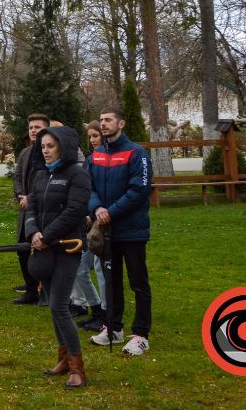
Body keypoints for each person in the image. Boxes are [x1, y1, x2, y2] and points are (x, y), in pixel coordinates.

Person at [25, 125, 92, 389]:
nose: (46, 151)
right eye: (43, 147)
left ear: (63, 147)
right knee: (53, 306)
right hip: (43, 248)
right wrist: (33, 233)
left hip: (67, 248)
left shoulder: (78, 175)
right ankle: (63, 359)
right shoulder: (41, 175)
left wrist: (47, 236)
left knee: (58, 306)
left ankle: (78, 368)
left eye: (50, 146)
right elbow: (32, 207)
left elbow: (75, 211)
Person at [87, 107, 153, 356]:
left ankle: (141, 335)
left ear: (121, 123)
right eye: (101, 120)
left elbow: (139, 190)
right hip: (106, 232)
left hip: (132, 231)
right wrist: (97, 208)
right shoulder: (96, 154)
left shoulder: (137, 154)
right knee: (111, 282)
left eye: (108, 120)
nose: (103, 124)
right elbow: (89, 187)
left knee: (138, 283)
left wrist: (110, 212)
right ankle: (113, 327)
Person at [12, 113, 51, 305]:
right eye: (31, 128)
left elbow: (47, 181)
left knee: (42, 250)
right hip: (24, 209)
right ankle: (30, 290)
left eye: (37, 127)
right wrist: (20, 195)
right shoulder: (25, 153)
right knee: (23, 249)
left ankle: (45, 291)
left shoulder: (50, 153)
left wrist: (31, 198)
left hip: (44, 210)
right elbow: (17, 177)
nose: (33, 130)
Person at [75, 121, 107, 331]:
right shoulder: (89, 160)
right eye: (90, 136)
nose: (93, 140)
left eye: (96, 136)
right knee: (79, 268)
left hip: (104, 220)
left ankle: (106, 314)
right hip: (89, 220)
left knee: (101, 269)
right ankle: (95, 307)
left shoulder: (107, 160)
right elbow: (86, 190)